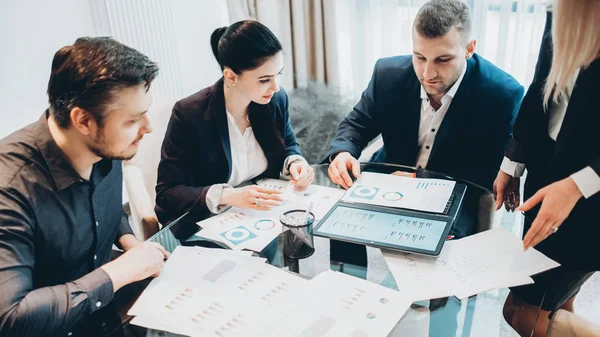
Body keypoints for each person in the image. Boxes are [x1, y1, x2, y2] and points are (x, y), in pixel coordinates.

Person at [0, 37, 169, 337]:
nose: (148, 127)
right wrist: (119, 271)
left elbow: (104, 209)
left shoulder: (105, 146)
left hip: (107, 315)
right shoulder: (10, 189)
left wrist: (129, 241)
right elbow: (10, 318)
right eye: (132, 119)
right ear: (83, 121)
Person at [325, 0, 523, 194]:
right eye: (420, 57)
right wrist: (343, 152)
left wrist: (418, 181)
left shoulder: (502, 94)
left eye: (442, 60)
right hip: (384, 182)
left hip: (452, 196)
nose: (428, 74)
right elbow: (356, 125)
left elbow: (491, 171)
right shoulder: (387, 75)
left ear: (469, 49)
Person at [495, 2, 600, 336]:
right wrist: (513, 161)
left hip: (593, 192)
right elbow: (542, 81)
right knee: (556, 300)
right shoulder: (562, 8)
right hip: (545, 171)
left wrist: (576, 185)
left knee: (520, 311)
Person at [155, 20, 313, 224]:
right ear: (230, 76)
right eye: (264, 80)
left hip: (260, 214)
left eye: (278, 75)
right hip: (205, 220)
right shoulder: (189, 114)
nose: (275, 87)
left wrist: (295, 163)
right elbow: (167, 192)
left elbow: (288, 144)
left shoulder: (275, 100)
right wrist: (227, 195)